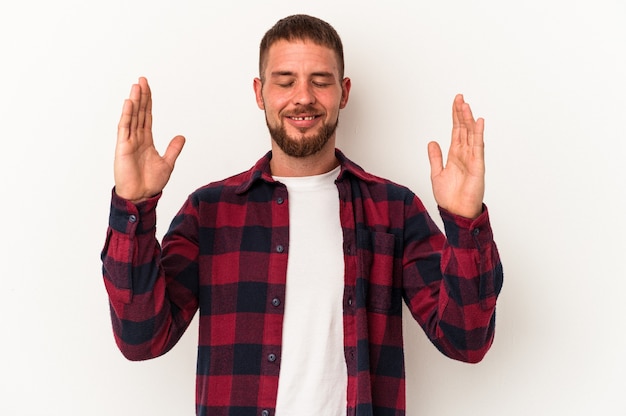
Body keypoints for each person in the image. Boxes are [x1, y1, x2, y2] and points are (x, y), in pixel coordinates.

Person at [101, 14, 503, 416]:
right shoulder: (209, 212)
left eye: (321, 81)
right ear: (260, 92)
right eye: (285, 80)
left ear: (343, 92)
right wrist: (133, 207)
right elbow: (141, 338)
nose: (303, 96)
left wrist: (464, 222)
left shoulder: (394, 210)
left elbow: (466, 340)